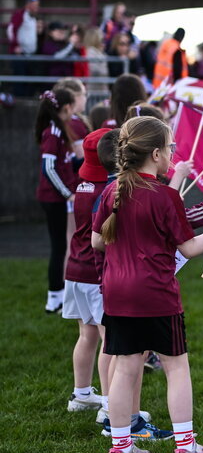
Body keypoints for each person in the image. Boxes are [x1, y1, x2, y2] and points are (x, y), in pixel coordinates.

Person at [93, 116, 203, 453]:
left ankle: (121, 449)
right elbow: (190, 248)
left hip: (117, 293)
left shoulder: (111, 191)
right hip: (157, 293)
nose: (174, 153)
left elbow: (97, 241)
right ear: (157, 154)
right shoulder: (165, 196)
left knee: (126, 368)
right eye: (172, 148)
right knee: (177, 368)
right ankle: (187, 449)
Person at [63, 130, 115, 423]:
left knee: (86, 335)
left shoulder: (82, 187)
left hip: (75, 271)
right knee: (110, 342)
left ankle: (81, 394)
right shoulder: (105, 192)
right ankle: (110, 406)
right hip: (96, 274)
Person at [35, 89, 79, 313]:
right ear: (67, 107)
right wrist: (66, 193)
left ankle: (57, 296)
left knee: (61, 245)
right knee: (59, 246)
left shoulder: (59, 130)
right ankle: (54, 298)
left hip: (57, 197)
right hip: (53, 199)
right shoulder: (53, 132)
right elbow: (48, 168)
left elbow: (62, 165)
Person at [6, 0, 40, 97]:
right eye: (34, 5)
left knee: (30, 79)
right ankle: (19, 100)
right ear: (27, 5)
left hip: (30, 54)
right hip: (20, 54)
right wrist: (15, 46)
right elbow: (10, 30)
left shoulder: (33, 18)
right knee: (20, 79)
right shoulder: (20, 15)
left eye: (37, 5)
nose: (36, 8)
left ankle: (27, 97)